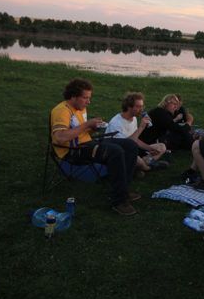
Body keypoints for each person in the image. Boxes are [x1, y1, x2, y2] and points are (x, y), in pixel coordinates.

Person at [50, 78, 140, 216]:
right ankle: (118, 200)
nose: (88, 101)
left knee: (130, 145)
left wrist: (92, 128)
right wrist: (87, 125)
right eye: (85, 98)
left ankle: (123, 188)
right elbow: (60, 137)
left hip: (87, 143)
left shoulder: (80, 108)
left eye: (89, 98)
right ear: (73, 96)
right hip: (73, 151)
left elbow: (80, 131)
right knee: (115, 152)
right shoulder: (62, 111)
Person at [105, 92, 168, 176]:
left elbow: (135, 139)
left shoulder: (133, 118)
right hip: (120, 154)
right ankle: (148, 168)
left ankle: (139, 166)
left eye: (142, 106)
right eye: (138, 107)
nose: (141, 110)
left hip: (133, 150)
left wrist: (148, 148)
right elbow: (126, 145)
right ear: (129, 107)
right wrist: (141, 127)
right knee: (136, 158)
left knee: (161, 147)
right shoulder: (116, 123)